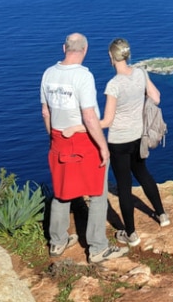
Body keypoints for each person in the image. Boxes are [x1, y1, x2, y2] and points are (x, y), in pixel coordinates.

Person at [66, 37, 169, 247]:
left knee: (124, 186)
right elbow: (156, 97)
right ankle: (162, 215)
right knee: (143, 174)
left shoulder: (113, 85)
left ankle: (131, 234)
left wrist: (78, 127)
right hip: (139, 136)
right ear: (127, 55)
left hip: (119, 141)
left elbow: (107, 121)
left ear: (111, 57)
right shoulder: (140, 73)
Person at [40, 33, 127, 264]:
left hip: (58, 138)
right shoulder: (83, 76)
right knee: (97, 192)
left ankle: (57, 241)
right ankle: (97, 247)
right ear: (85, 50)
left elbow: (45, 112)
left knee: (61, 191)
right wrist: (103, 147)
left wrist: (53, 138)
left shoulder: (48, 74)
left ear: (64, 48)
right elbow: (89, 116)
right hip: (83, 140)